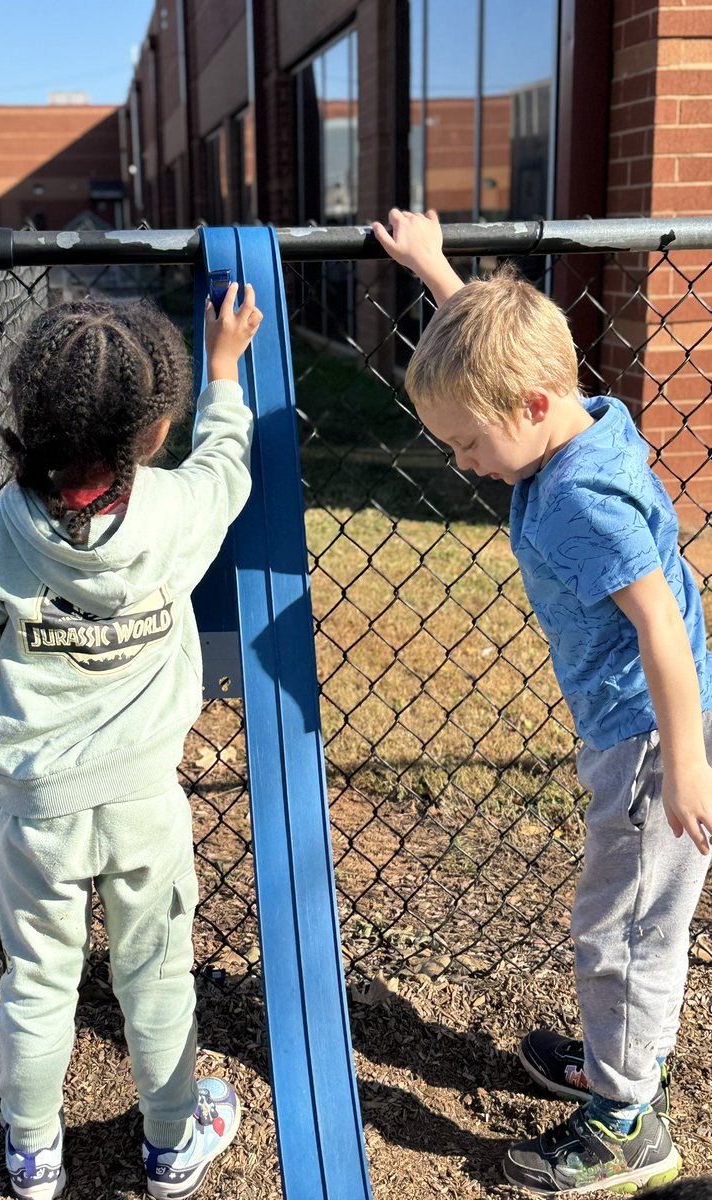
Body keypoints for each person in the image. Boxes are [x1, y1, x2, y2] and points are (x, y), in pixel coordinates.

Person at [372, 208, 712, 1195]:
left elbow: (656, 623)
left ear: (524, 409)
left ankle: (624, 1125)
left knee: (625, 930)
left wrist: (687, 761)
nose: (461, 463)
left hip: (652, 741)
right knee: (623, 923)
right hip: (641, 728)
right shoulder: (571, 418)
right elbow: (496, 363)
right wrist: (440, 274)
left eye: (466, 443)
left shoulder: (580, 500)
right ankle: (625, 1062)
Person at [0, 283, 262, 1200]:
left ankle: (32, 1154)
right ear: (155, 434)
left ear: (28, 418)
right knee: (155, 975)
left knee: (37, 982)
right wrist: (225, 371)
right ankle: (171, 1145)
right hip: (142, 805)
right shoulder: (171, 513)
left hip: (37, 809)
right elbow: (229, 467)